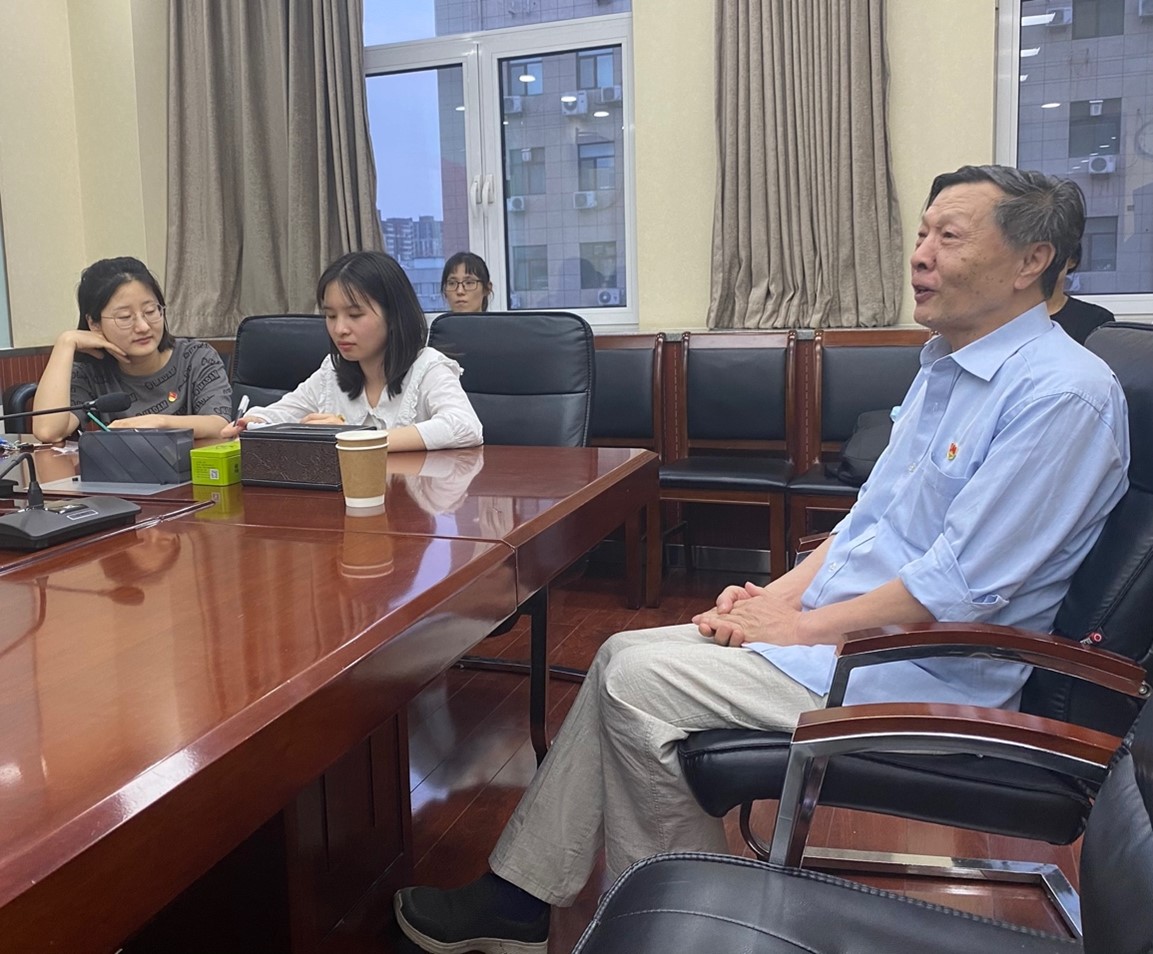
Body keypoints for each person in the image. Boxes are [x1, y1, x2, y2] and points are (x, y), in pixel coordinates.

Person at [393, 165, 1131, 954]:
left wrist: (800, 627)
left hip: (926, 675)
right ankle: (536, 902)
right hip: (857, 638)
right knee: (620, 657)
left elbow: (959, 586)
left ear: (1030, 261)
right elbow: (867, 525)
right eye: (921, 233)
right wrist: (774, 601)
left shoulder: (1062, 395)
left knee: (637, 683)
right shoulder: (943, 366)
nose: (919, 254)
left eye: (947, 237)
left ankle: (664, 929)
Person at [223, 251, 482, 452]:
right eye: (330, 315)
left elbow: (465, 426)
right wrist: (252, 421)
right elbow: (282, 411)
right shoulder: (332, 371)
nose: (339, 329)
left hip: (411, 498)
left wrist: (358, 438)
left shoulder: (428, 366)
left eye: (355, 315)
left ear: (394, 315)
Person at [32, 257, 232, 442]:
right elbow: (48, 431)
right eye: (125, 317)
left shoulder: (196, 357)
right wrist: (66, 342)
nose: (143, 326)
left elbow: (219, 424)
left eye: (150, 311)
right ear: (94, 323)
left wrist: (158, 423)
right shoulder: (90, 371)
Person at [1047, 241, 1115, 345]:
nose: (1042, 265)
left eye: (1052, 255)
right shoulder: (1019, 318)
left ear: (1071, 260)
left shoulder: (1096, 319)